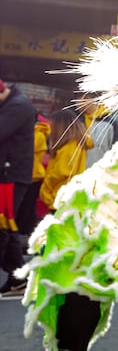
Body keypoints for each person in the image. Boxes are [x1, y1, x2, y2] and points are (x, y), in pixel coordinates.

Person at [0, 79, 36, 297]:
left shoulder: (18, 106)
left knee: (4, 226)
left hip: (11, 175)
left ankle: (18, 277)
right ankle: (17, 277)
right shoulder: (12, 104)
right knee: (6, 226)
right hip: (7, 175)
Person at [39, 109, 92, 211]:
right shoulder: (76, 142)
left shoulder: (70, 145)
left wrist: (45, 189)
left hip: (60, 196)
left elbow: (60, 172)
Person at [77, 100, 115, 168]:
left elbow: (117, 152)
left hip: (101, 173)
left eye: (86, 98)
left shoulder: (110, 123)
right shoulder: (76, 122)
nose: (80, 102)